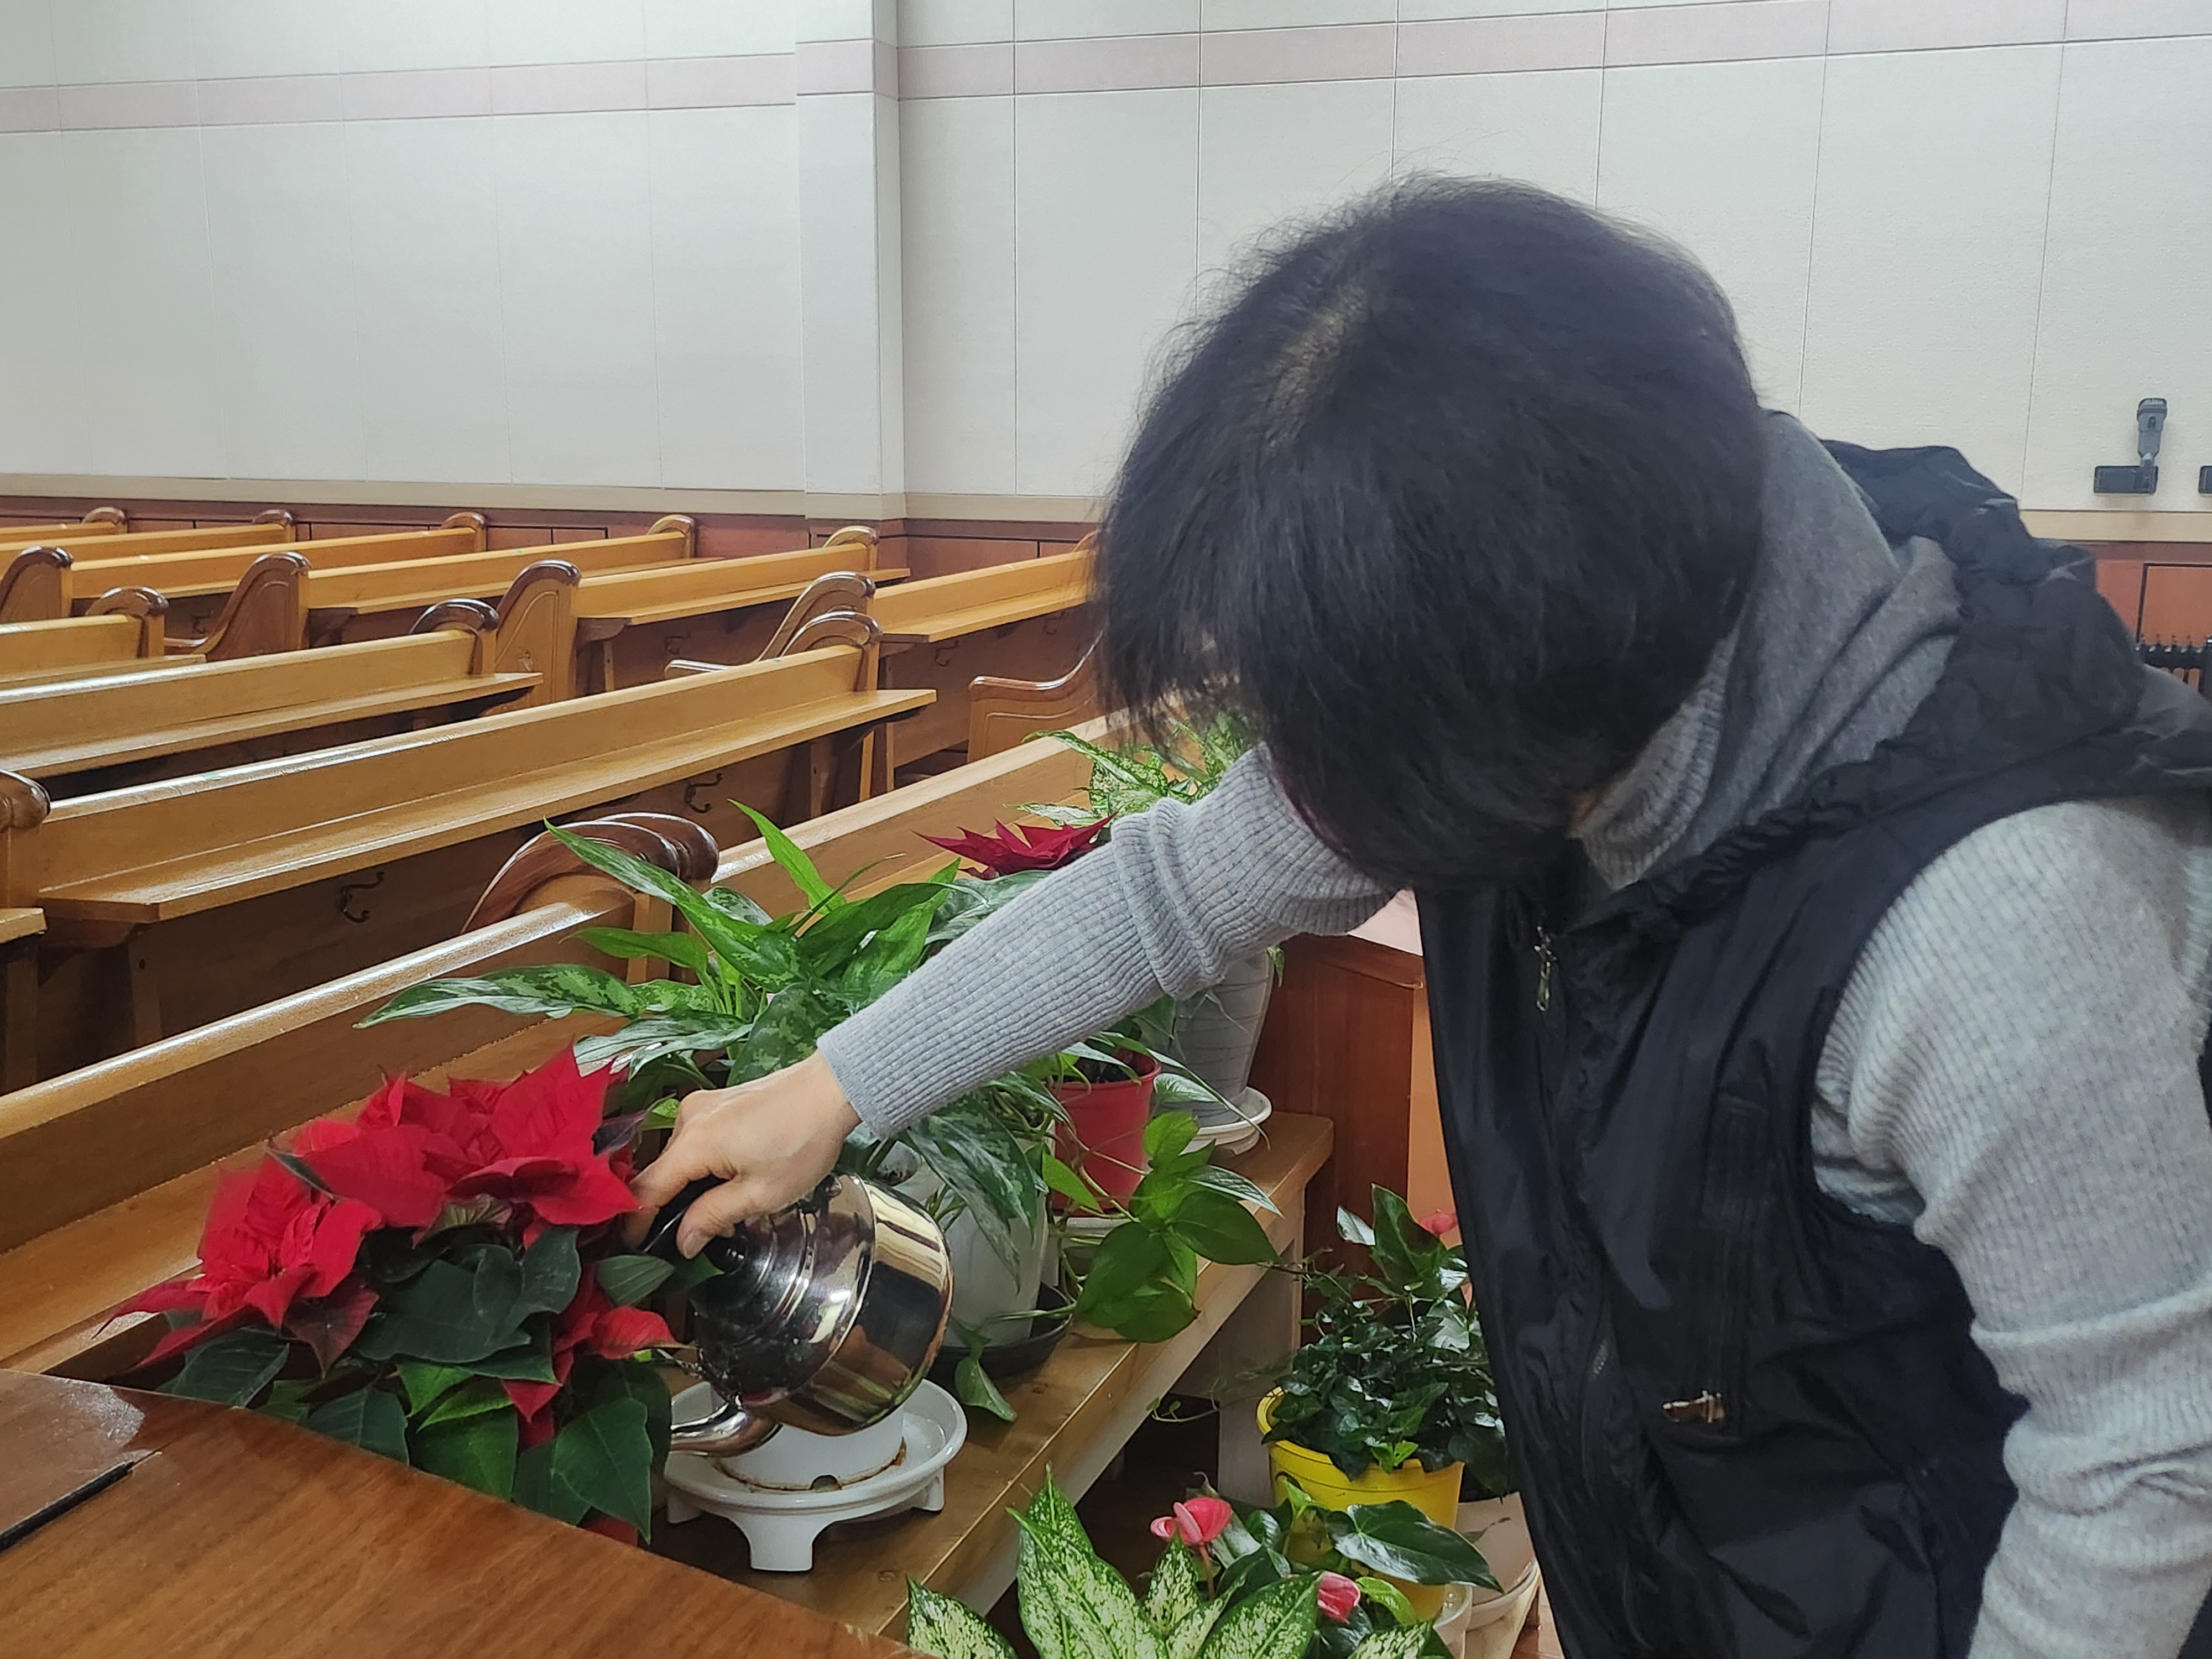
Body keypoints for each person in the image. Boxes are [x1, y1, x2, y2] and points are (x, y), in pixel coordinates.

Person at [630, 179, 2212, 1658]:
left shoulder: (1994, 926)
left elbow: (2145, 1464)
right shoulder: (1566, 651)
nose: (1306, 784)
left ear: (1507, 700)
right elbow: (1170, 888)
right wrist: (828, 1088)